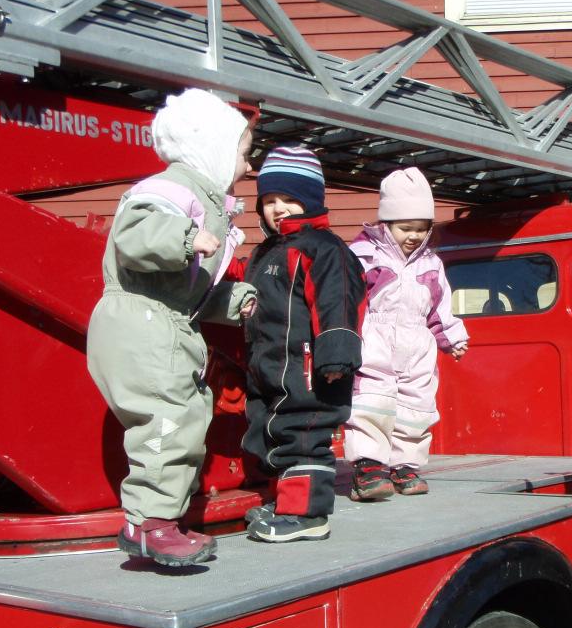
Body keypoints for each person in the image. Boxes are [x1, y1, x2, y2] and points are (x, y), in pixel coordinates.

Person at [87, 88, 256, 568]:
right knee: (166, 417)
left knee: (182, 416)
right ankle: (148, 525)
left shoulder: (205, 201)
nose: (247, 167)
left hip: (164, 321)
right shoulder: (172, 191)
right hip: (143, 322)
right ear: (213, 149)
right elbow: (134, 235)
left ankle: (159, 520)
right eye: (243, 154)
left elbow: (191, 289)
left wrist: (236, 300)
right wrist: (183, 237)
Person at [241, 146, 366, 542]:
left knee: (304, 431)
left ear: (311, 200)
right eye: (269, 201)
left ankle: (309, 514)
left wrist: (337, 354)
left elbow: (338, 301)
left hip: (312, 366)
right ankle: (285, 502)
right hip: (270, 364)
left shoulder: (325, 249)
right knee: (269, 429)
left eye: (290, 200)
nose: (278, 209)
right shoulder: (265, 252)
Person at [343, 167, 468, 499]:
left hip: (417, 344)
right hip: (375, 338)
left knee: (417, 405)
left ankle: (405, 466)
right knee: (372, 401)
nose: (413, 236)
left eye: (421, 228)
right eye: (405, 228)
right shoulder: (365, 255)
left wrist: (452, 337)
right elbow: (349, 299)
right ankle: (369, 467)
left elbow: (441, 305)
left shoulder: (431, 263)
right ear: (386, 224)